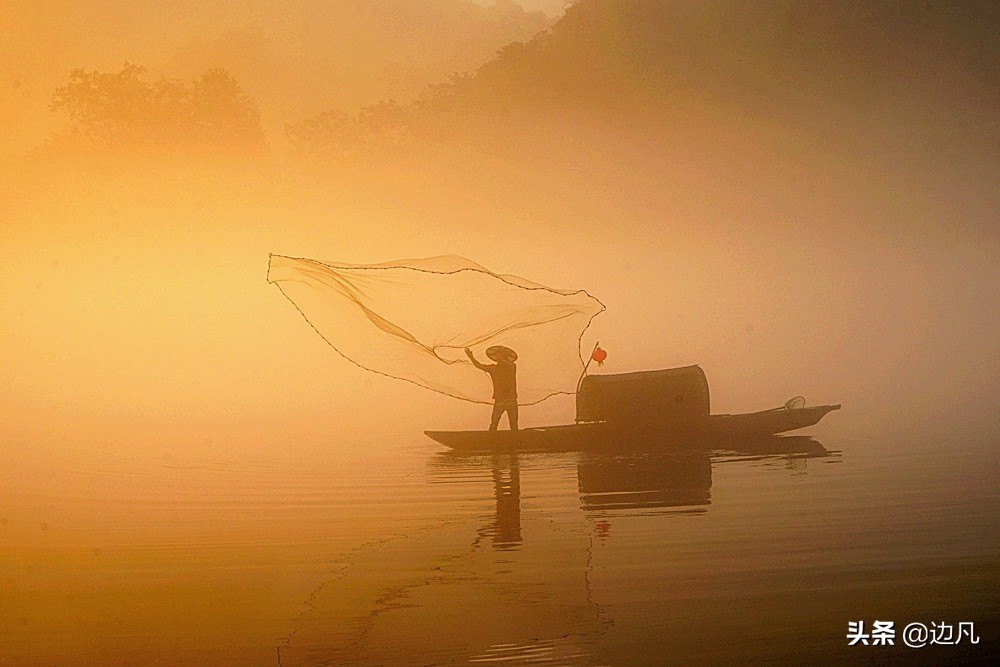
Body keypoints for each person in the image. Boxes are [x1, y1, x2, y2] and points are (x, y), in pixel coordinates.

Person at [465, 345, 518, 431]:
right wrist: (471, 357)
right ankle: (491, 438)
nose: (498, 357)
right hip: (499, 399)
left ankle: (516, 439)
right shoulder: (493, 368)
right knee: (494, 422)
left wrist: (502, 359)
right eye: (497, 355)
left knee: (514, 424)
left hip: (511, 400)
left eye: (500, 355)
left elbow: (508, 364)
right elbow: (479, 365)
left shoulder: (511, 366)